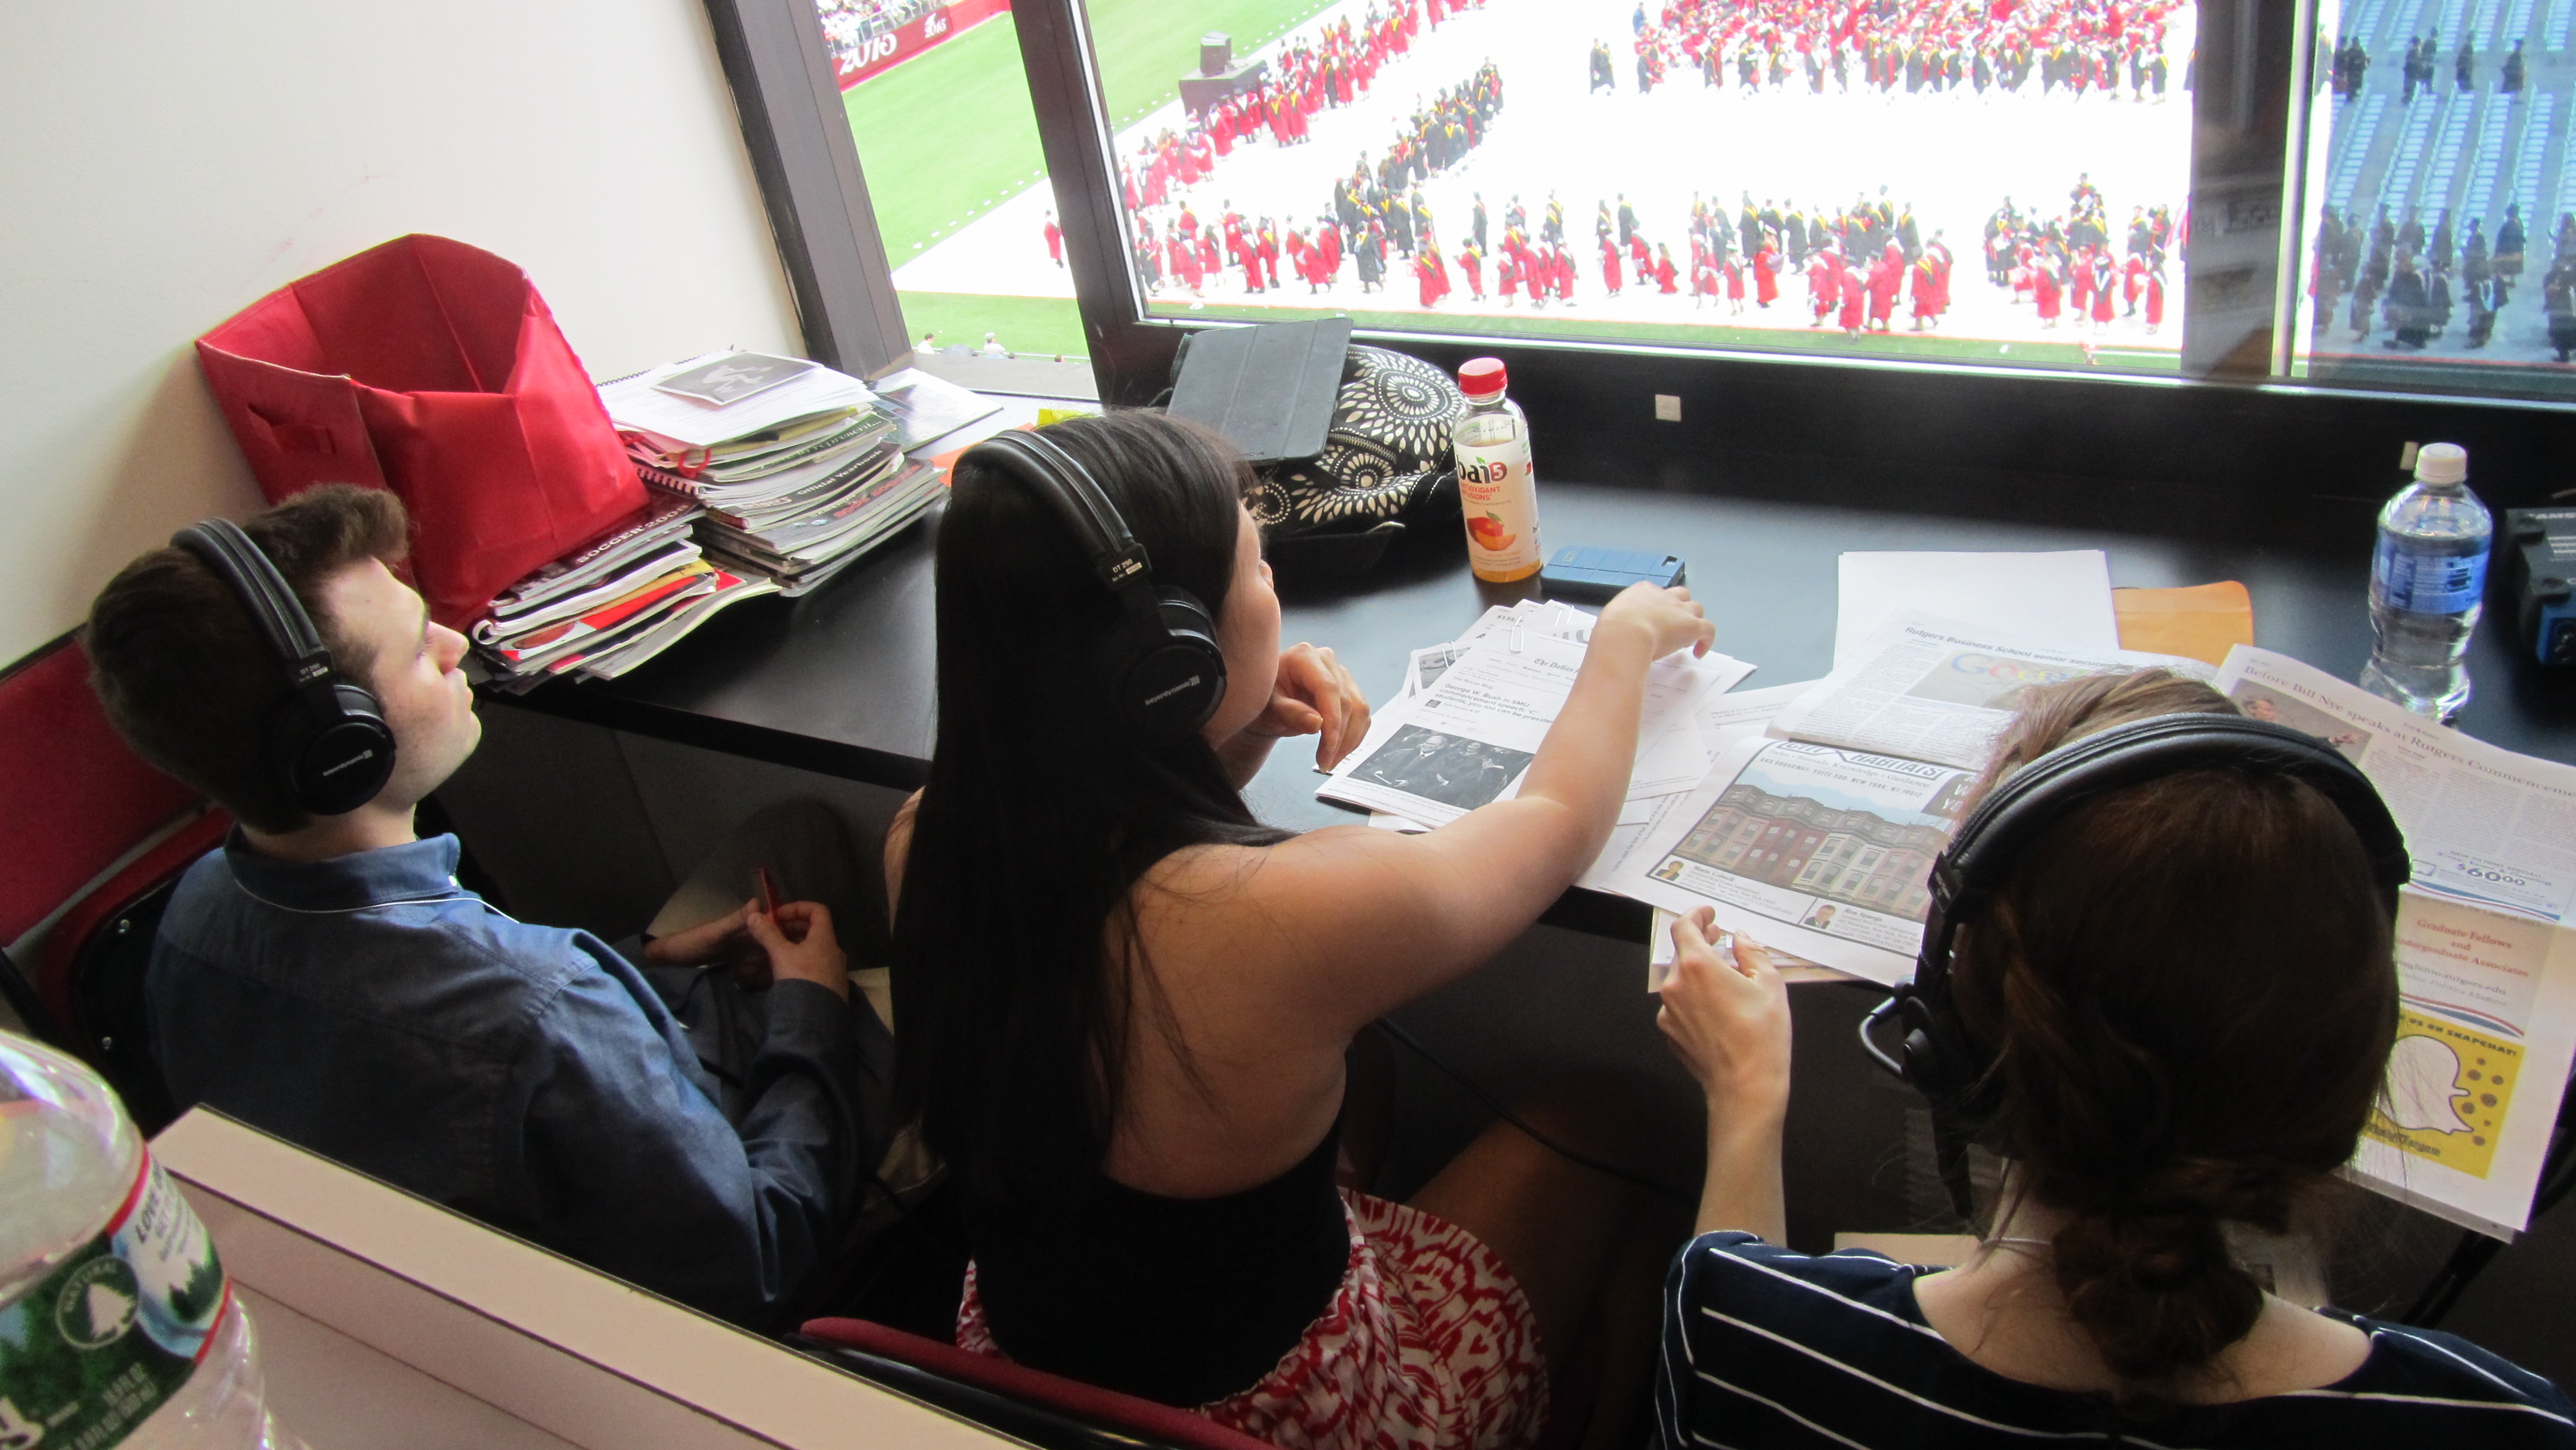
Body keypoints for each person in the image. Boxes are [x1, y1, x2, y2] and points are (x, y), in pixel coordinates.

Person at [889, 413, 1712, 1445]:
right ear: (1170, 661)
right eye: (1262, 566)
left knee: (1356, 1065)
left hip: (1038, 1385)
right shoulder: (1285, 916)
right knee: (1614, 1119)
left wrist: (1210, 736)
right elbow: (1554, 822)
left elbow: (1124, 886)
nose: (1275, 587)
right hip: (1302, 1423)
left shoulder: (929, 838)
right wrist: (1624, 639)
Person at [1651, 670, 2576, 1446]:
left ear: (1956, 1039)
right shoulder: (2520, 1428)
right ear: (2348, 1069)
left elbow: (1738, 1315)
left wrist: (1745, 1102)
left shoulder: (1735, 1330)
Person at [87, 486, 888, 1329]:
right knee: (961, 993)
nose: (454, 641)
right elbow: (764, 1258)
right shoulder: (539, 1009)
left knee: (793, 833)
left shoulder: (196, 917)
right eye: (413, 649)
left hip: (505, 1218)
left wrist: (642, 966)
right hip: (753, 1228)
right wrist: (811, 1007)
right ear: (341, 748)